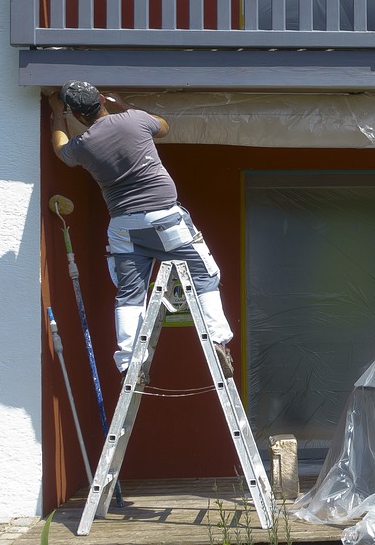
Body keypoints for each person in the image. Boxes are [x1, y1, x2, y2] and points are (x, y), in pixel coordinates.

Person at [47, 81, 236, 378]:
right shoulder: (134, 119)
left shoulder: (82, 145)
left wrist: (57, 115)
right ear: (100, 98)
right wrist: (123, 105)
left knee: (129, 295)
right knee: (204, 276)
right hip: (165, 221)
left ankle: (128, 363)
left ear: (77, 116)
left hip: (123, 227)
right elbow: (163, 127)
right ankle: (217, 341)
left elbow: (61, 150)